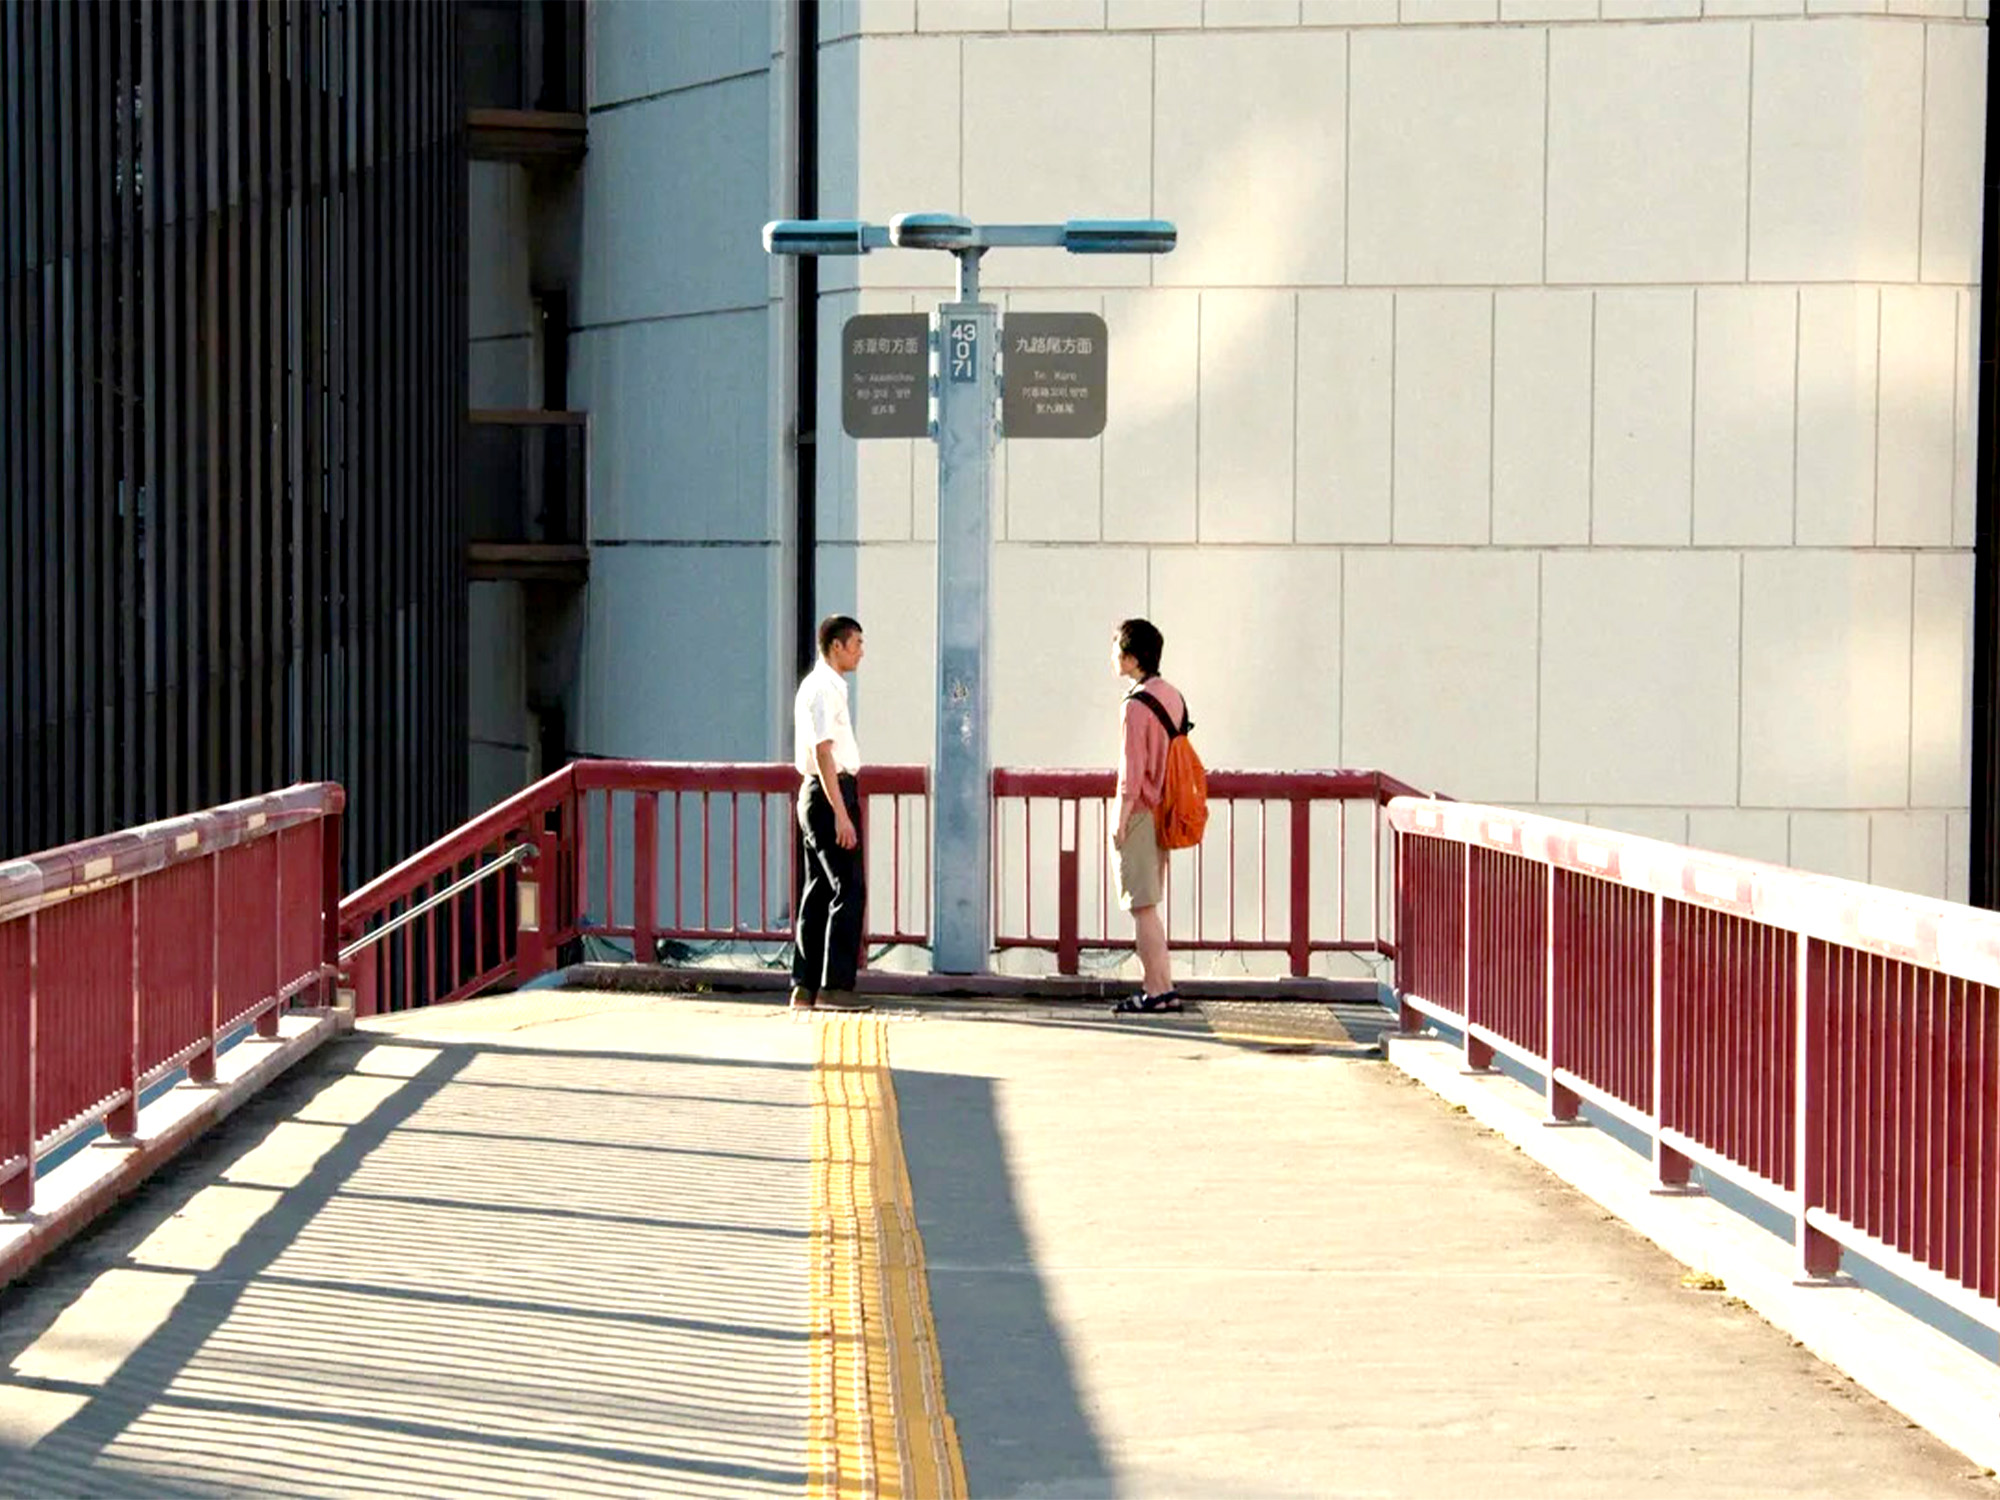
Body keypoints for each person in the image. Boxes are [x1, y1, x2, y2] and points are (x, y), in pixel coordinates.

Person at [1108, 617, 1187, 1015]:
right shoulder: (1172, 696)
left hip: (1140, 812)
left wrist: (1119, 819)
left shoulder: (1134, 706)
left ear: (1133, 658)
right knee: (1151, 903)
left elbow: (1131, 770)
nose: (1114, 657)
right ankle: (1165, 988)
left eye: (1119, 650)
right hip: (1165, 809)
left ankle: (1156, 990)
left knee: (1142, 908)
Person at [791, 615, 867, 1012]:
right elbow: (824, 751)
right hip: (829, 792)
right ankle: (836, 986)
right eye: (855, 643)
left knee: (819, 889)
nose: (860, 651)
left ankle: (805, 986)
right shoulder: (823, 688)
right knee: (848, 887)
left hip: (820, 793)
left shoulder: (823, 686)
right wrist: (841, 813)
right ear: (835, 646)